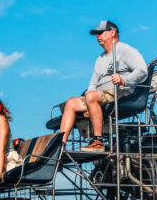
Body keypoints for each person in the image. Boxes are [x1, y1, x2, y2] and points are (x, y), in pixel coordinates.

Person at [57, 19, 147, 151]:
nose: (97, 36)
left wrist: (124, 80)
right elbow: (93, 83)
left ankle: (98, 141)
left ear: (112, 33)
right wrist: (88, 100)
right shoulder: (100, 58)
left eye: (101, 32)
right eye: (96, 34)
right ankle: (60, 145)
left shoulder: (126, 50)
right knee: (71, 103)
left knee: (91, 96)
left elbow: (142, 71)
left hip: (121, 92)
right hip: (99, 95)